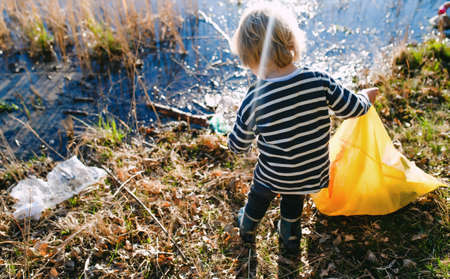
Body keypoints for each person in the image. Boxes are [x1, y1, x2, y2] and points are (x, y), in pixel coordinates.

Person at [227, 3, 378, 277]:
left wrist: (233, 135)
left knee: (260, 192)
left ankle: (247, 227)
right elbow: (353, 107)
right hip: (311, 173)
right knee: (293, 196)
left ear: (250, 57)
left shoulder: (255, 98)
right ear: (290, 41)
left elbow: (237, 145)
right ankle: (290, 238)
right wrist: (366, 97)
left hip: (273, 174)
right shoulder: (319, 80)